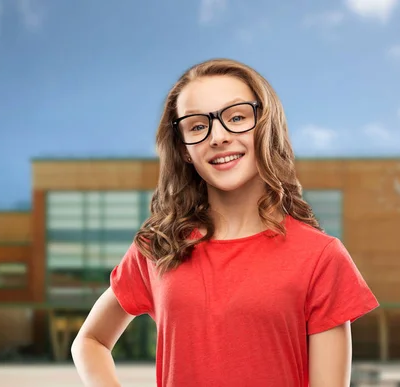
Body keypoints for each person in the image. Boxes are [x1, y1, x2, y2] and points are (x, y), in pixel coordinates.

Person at [71, 58, 379, 387]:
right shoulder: (159, 247)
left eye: (236, 117)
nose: (218, 136)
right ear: (184, 149)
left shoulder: (321, 257)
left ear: (265, 125)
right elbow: (89, 342)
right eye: (198, 125)